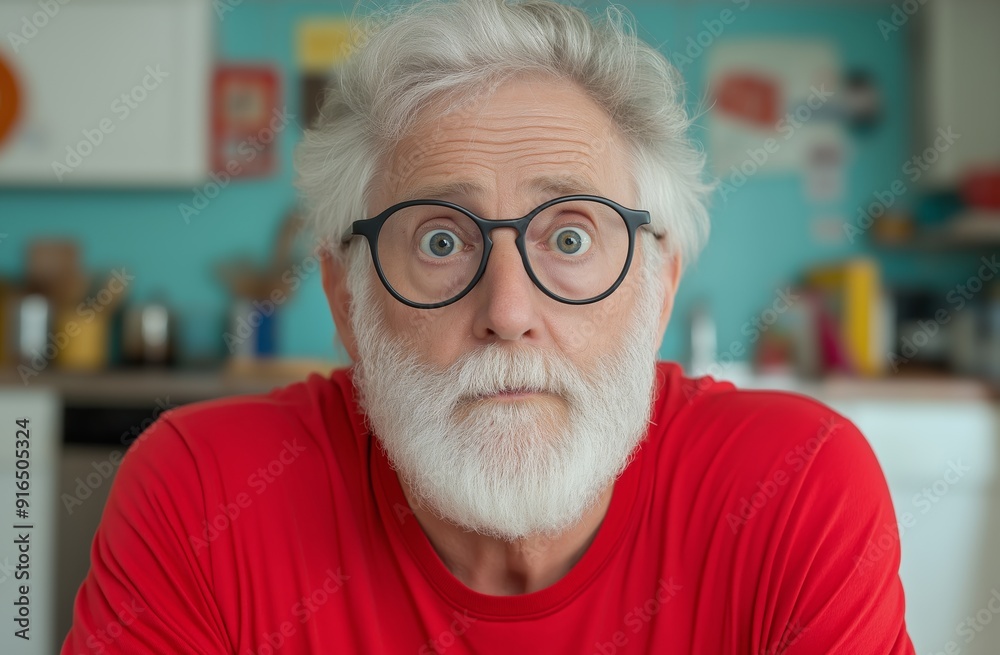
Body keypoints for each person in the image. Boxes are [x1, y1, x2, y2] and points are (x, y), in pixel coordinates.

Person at [62, 1, 915, 653]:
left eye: (570, 237)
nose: (508, 312)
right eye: (440, 240)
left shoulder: (798, 490)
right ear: (346, 298)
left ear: (658, 288)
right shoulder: (200, 493)